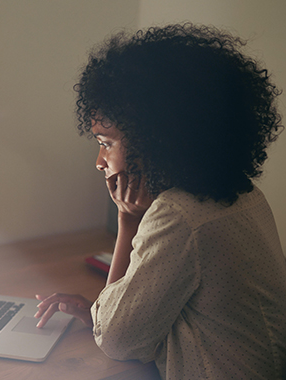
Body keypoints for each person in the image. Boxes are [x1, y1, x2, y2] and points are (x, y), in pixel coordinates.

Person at [35, 23, 286, 379]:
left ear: (154, 140)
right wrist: (101, 312)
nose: (98, 161)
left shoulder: (179, 216)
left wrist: (128, 219)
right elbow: (147, 328)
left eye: (106, 143)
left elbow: (117, 342)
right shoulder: (244, 195)